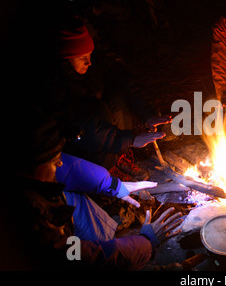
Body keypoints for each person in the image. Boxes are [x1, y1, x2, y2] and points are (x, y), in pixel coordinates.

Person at [2, 108, 182, 270]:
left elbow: (68, 169)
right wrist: (145, 243)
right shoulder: (32, 222)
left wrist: (113, 185)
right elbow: (84, 258)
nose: (60, 162)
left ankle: (117, 251)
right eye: (53, 160)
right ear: (29, 167)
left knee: (72, 198)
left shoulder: (27, 174)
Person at [39, 15, 172, 180]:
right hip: (72, 147)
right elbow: (80, 127)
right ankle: (104, 168)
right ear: (65, 59)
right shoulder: (51, 86)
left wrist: (147, 114)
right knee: (97, 110)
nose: (89, 63)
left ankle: (116, 158)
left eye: (90, 55)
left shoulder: (94, 64)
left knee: (117, 93)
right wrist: (129, 140)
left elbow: (126, 81)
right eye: (82, 58)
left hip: (100, 133)